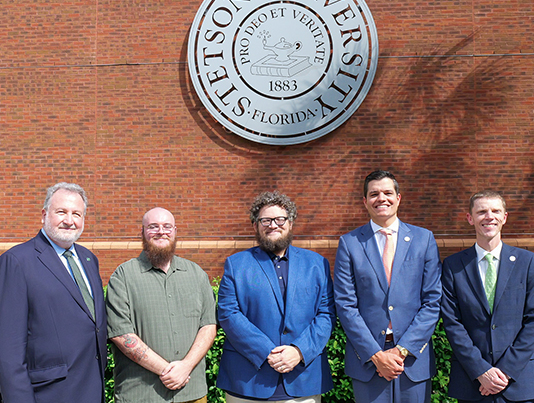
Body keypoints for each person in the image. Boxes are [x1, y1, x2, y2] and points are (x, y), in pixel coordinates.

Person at [217, 191, 336, 403]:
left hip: (303, 379)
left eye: (280, 219)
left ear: (290, 223)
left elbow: (326, 314)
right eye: (265, 220)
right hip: (248, 381)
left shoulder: (317, 264)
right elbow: (228, 314)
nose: (273, 225)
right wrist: (266, 351)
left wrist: (299, 351)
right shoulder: (236, 264)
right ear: (255, 226)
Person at [334, 170, 442, 403]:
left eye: (387, 192)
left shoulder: (423, 239)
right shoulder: (350, 243)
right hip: (367, 360)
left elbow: (432, 301)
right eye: (374, 194)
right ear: (365, 202)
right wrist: (375, 355)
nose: (381, 198)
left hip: (412, 360)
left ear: (398, 198)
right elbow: (345, 305)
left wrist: (402, 349)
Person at [0, 182, 107, 403]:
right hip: (49, 394)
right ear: (44, 215)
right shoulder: (18, 261)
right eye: (62, 212)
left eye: (77, 214)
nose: (69, 220)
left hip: (92, 390)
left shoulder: (88, 259)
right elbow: (8, 348)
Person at [106, 207, 217, 403]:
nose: (161, 231)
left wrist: (185, 367)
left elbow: (208, 326)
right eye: (153, 227)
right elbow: (121, 334)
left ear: (175, 231)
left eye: (167, 226)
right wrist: (167, 371)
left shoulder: (196, 274)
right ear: (142, 233)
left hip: (192, 392)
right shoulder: (123, 276)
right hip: (140, 395)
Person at [441, 190, 534, 403]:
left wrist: (505, 371)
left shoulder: (528, 262)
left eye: (495, 211)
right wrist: (482, 371)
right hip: (472, 383)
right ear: (470, 218)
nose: (489, 216)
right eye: (481, 211)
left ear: (504, 217)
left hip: (519, 383)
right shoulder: (453, 266)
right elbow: (452, 323)